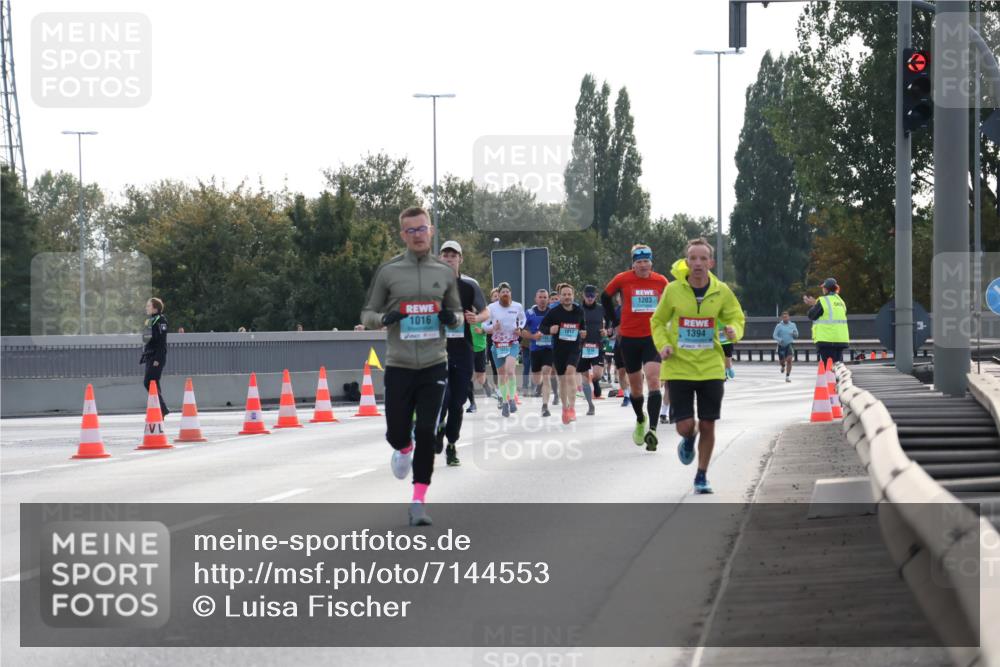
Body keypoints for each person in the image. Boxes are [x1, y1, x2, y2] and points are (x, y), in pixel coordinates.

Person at [360, 206, 462, 526]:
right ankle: (402, 448)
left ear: (431, 231)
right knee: (398, 431)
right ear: (403, 235)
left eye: (423, 229)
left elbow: (458, 316)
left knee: (427, 430)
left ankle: (418, 501)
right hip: (400, 364)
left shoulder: (444, 273)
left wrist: (450, 317)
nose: (418, 235)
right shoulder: (389, 272)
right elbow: (368, 315)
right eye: (411, 231)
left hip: (434, 363)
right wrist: (384, 318)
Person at [651, 238, 745, 494]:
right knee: (684, 426)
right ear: (686, 262)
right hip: (679, 366)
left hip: (711, 367)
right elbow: (657, 321)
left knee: (708, 423)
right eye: (693, 258)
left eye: (703, 259)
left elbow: (737, 316)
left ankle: (701, 476)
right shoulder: (673, 290)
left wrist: (733, 330)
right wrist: (663, 346)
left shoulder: (721, 290)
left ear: (711, 262)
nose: (698, 263)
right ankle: (688, 439)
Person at [601, 244, 669, 451]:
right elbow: (605, 297)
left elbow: (671, 304)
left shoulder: (661, 281)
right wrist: (615, 323)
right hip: (629, 339)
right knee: (637, 388)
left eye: (646, 261)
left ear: (651, 262)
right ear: (633, 264)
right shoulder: (623, 279)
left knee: (654, 379)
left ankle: (653, 431)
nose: (642, 265)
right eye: (638, 262)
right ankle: (641, 419)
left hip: (652, 337)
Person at [435, 240, 488, 467]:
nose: (449, 259)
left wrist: (477, 318)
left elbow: (485, 310)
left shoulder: (469, 285)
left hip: (462, 350)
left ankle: (451, 444)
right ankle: (438, 425)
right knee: (442, 398)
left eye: (453, 255)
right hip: (437, 351)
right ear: (440, 259)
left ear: (460, 259)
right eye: (445, 255)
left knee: (457, 402)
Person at [541, 283, 586, 424]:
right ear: (560, 297)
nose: (567, 297)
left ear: (573, 296)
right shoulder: (554, 312)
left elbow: (583, 326)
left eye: (569, 294)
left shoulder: (579, 310)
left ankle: (572, 408)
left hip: (574, 348)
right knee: (562, 381)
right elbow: (543, 327)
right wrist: (550, 330)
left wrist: (584, 332)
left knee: (570, 373)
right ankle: (565, 408)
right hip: (559, 350)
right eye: (564, 295)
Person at [483, 282, 526, 417]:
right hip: (497, 344)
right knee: (502, 374)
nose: (505, 294)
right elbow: (484, 324)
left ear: (510, 293)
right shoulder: (491, 307)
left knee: (510, 370)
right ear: (499, 294)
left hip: (512, 343)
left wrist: (520, 328)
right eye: (503, 292)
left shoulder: (517, 306)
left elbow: (523, 319)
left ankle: (512, 398)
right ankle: (506, 402)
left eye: (507, 291)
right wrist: (492, 328)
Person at [523, 288, 556, 417]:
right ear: (536, 299)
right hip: (535, 349)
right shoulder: (529, 313)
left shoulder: (553, 312)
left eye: (545, 297)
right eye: (540, 297)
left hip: (549, 348)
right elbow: (520, 330)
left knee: (547, 373)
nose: (542, 300)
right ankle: (539, 385)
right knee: (537, 379)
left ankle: (545, 406)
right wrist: (532, 336)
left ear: (548, 299)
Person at [577, 284, 608, 416]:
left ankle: (595, 381)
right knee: (584, 378)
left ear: (596, 295)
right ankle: (590, 405)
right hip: (581, 346)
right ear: (583, 295)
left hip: (597, 345)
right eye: (587, 295)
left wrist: (607, 331)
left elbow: (610, 322)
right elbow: (572, 324)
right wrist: (578, 333)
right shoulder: (577, 309)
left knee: (598, 374)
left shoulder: (601, 308)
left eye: (592, 296)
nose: (590, 298)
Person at [803, 278, 850, 365]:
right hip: (841, 339)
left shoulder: (823, 301)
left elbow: (811, 315)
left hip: (827, 340)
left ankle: (830, 378)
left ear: (826, 289)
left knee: (828, 367)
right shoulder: (841, 301)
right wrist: (816, 303)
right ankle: (836, 378)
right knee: (837, 366)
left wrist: (814, 304)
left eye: (823, 288)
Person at [141, 298, 170, 417]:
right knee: (154, 383)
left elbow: (161, 342)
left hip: (157, 356)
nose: (146, 308)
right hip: (149, 355)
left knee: (148, 382)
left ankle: (162, 408)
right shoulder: (149, 321)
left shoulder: (161, 320)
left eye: (149, 306)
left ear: (155, 308)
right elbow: (145, 339)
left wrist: (158, 359)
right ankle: (160, 412)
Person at [773, 311, 799, 382]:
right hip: (781, 345)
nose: (785, 318)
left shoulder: (793, 325)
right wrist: (779, 339)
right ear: (782, 318)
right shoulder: (779, 326)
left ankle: (787, 376)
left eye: (786, 317)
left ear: (789, 317)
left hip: (789, 344)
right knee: (782, 361)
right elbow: (774, 335)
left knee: (789, 360)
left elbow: (797, 335)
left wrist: (794, 334)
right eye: (784, 317)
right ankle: (783, 366)